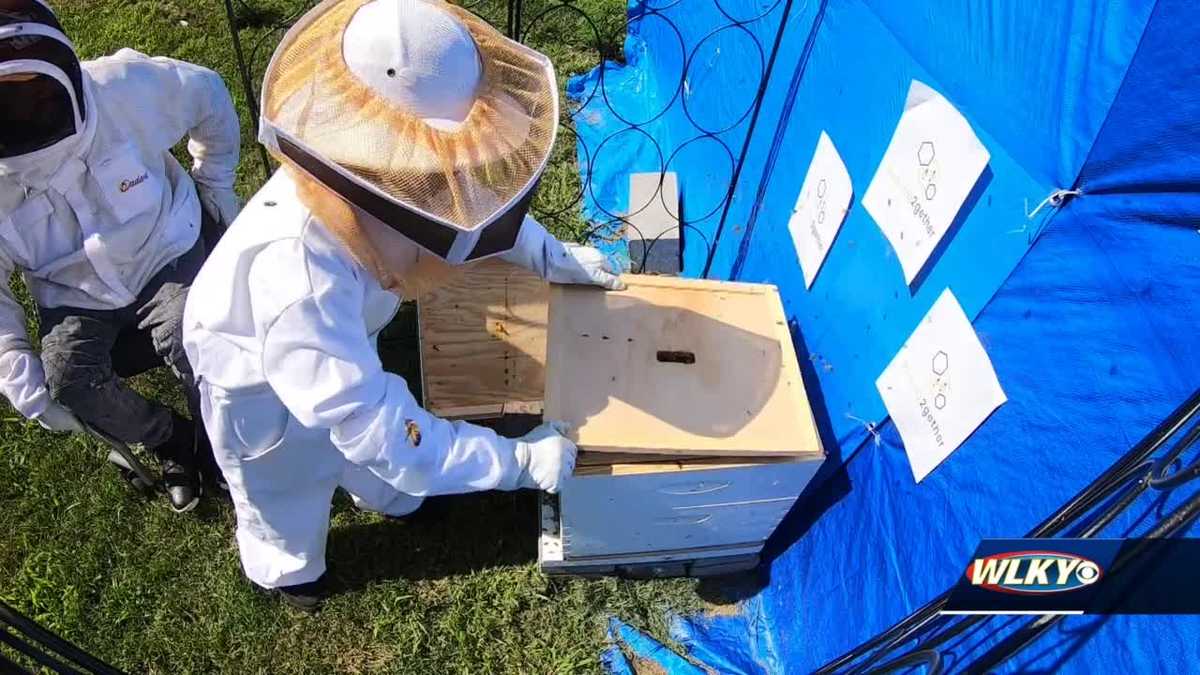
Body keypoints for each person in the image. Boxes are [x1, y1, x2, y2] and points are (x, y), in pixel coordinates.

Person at [182, 0, 623, 610]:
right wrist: (519, 461)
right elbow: (389, 436)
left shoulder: (392, 165)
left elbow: (469, 207)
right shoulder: (299, 283)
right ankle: (288, 571)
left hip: (343, 333)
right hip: (252, 380)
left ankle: (394, 500)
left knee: (372, 445)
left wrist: (554, 258)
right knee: (283, 483)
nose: (447, 186)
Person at [0, 0, 241, 512]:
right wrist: (14, 365)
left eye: (33, 96)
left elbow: (208, 95)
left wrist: (215, 184)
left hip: (166, 250)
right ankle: (169, 439)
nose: (22, 115)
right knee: (68, 378)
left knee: (194, 334)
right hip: (74, 297)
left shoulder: (123, 88)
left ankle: (223, 444)